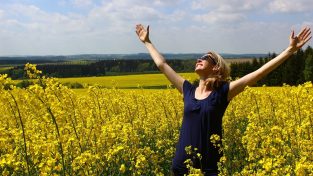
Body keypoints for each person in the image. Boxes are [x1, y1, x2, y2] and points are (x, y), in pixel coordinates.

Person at [135, 24, 311, 175]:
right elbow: (162, 65)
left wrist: (289, 51)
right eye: (199, 57)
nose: (199, 59)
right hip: (181, 168)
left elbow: (258, 73)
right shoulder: (187, 89)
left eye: (206, 58)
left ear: (216, 67)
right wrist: (147, 42)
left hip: (209, 169)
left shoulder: (223, 92)